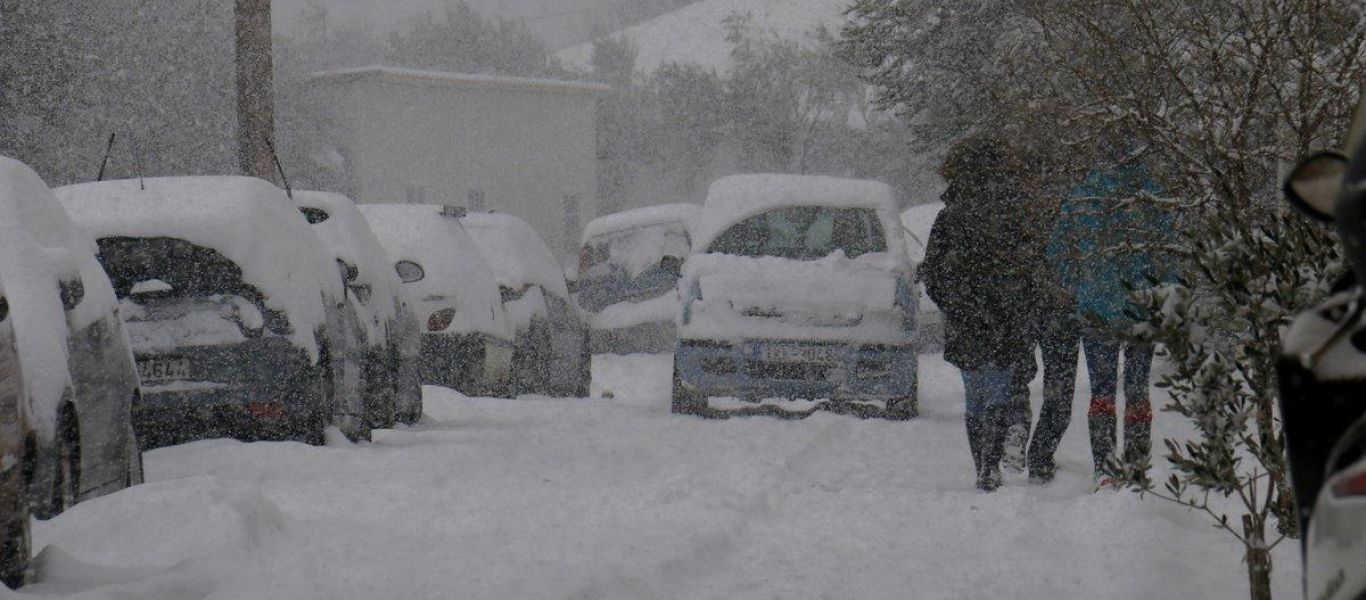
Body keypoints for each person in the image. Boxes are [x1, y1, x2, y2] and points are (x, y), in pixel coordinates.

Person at [922, 134, 1041, 492]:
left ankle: (983, 467)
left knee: (974, 396)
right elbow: (1031, 268)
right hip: (1007, 317)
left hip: (966, 318)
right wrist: (1021, 304)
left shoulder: (950, 217)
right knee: (1000, 391)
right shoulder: (1016, 213)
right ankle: (991, 463)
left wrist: (954, 302)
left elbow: (934, 272)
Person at [1047, 157, 1171, 489]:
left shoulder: (1084, 194)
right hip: (1141, 306)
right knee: (1137, 389)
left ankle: (1104, 467)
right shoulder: (1151, 196)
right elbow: (1170, 253)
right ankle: (1136, 466)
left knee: (1102, 391)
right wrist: (1161, 290)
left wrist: (1078, 284)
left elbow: (1057, 251)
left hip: (1097, 307)